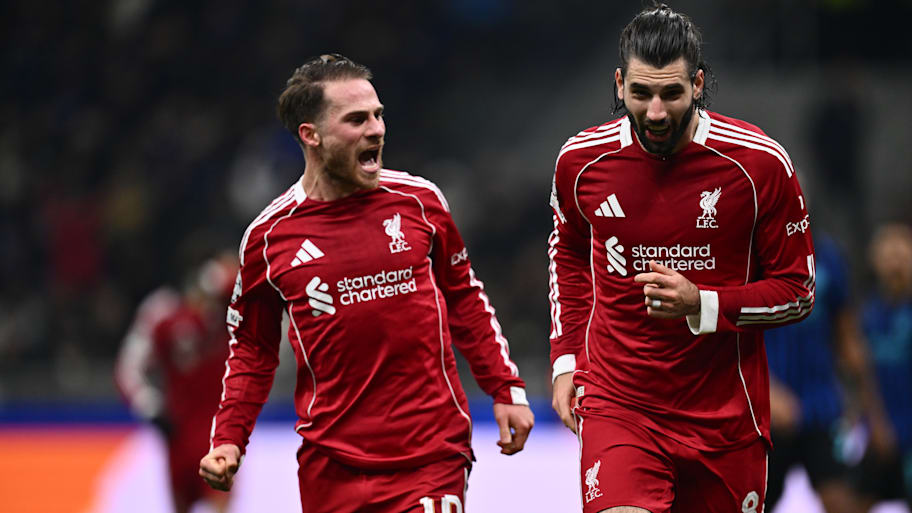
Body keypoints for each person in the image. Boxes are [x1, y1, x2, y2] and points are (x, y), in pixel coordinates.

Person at [199, 54, 534, 513]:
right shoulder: (269, 237)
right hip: (330, 465)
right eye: (356, 120)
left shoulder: (420, 203)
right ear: (310, 135)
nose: (376, 129)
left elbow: (464, 299)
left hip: (430, 455)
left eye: (378, 115)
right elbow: (253, 350)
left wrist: (504, 388)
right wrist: (229, 438)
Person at [547, 5, 815, 512]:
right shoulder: (581, 163)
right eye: (640, 93)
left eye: (671, 93)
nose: (655, 112)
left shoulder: (757, 166)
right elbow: (569, 256)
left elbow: (798, 292)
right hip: (619, 403)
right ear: (619, 83)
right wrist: (566, 360)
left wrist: (703, 303)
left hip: (723, 418)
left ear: (698, 83)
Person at [764, 233, 892, 513]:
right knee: (754, 502)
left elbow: (847, 337)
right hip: (766, 408)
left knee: (840, 499)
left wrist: (871, 409)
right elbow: (729, 336)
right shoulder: (749, 257)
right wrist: (766, 390)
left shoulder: (827, 257)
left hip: (821, 403)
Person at [115, 252, 237, 513]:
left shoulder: (223, 307)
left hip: (216, 434)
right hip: (185, 432)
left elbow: (128, 367)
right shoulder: (162, 312)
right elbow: (129, 368)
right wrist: (150, 406)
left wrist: (148, 405)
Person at [853, 223, 912, 509]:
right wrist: (874, 421)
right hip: (881, 430)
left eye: (901, 257)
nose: (895, 266)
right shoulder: (868, 314)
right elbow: (865, 373)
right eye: (888, 258)